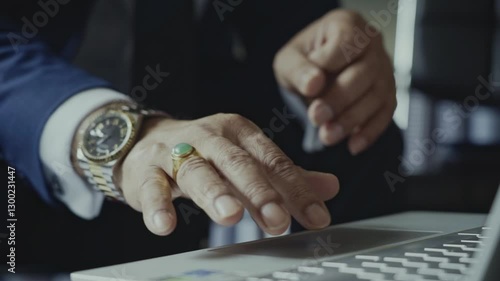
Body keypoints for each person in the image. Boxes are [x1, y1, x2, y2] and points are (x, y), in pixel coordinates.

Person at [0, 0, 402, 272]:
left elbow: (292, 33)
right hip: (21, 218)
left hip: (194, 234)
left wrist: (327, 72)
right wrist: (125, 133)